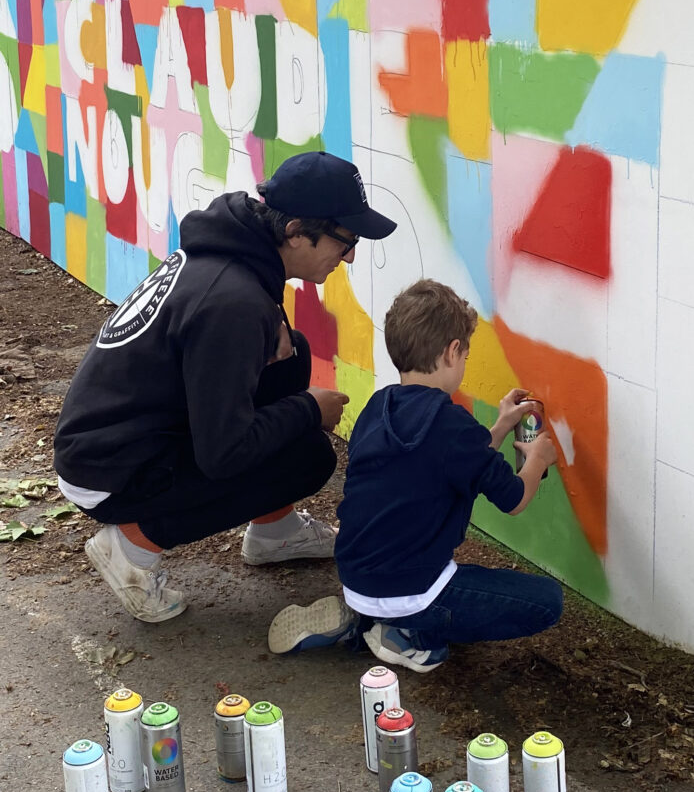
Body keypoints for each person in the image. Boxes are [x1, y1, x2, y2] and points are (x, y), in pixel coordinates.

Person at [53, 152, 396, 624]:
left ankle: (274, 530)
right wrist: (307, 411)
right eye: (345, 239)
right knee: (309, 457)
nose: (351, 254)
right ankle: (132, 545)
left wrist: (274, 342)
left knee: (290, 352)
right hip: (110, 471)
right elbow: (224, 453)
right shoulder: (232, 302)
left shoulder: (235, 255)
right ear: (295, 231)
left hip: (116, 437)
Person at [267, 279, 563, 672]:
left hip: (358, 574)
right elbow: (513, 498)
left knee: (425, 582)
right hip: (414, 589)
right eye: (465, 356)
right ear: (452, 352)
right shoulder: (452, 426)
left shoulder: (379, 405)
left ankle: (364, 619)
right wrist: (538, 459)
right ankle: (409, 636)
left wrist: (504, 425)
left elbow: (455, 458)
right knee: (547, 601)